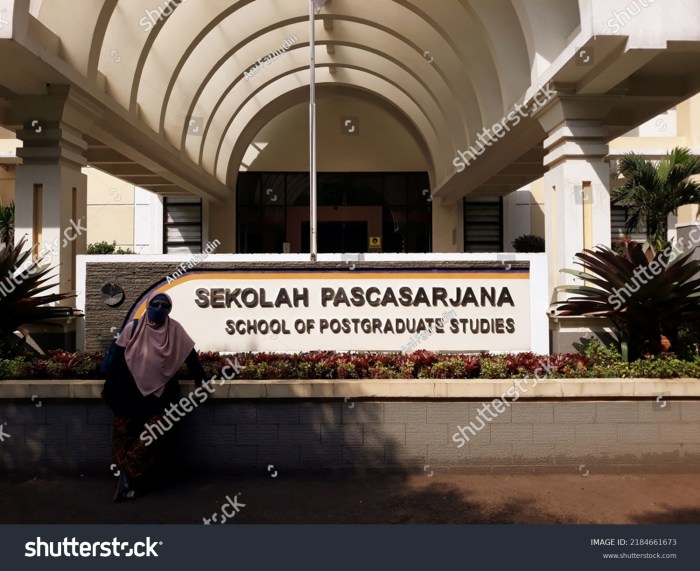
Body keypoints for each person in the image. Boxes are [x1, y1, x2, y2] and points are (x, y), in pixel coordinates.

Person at [110, 292, 206, 502]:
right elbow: (116, 360)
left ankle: (128, 475)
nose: (159, 309)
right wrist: (110, 390)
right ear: (148, 305)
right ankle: (125, 480)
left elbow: (191, 356)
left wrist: (201, 381)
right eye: (155, 304)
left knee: (151, 437)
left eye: (164, 306)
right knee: (121, 436)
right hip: (129, 394)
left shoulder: (175, 330)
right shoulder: (132, 329)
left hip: (161, 396)